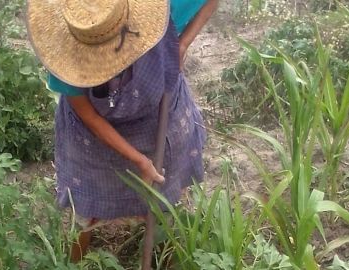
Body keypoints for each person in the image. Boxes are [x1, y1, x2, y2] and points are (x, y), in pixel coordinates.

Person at [26, 0, 218, 263]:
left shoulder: (161, 9)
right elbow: (89, 116)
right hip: (91, 136)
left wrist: (182, 44)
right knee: (84, 205)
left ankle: (164, 248)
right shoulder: (64, 57)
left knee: (163, 193)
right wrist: (138, 159)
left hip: (156, 111)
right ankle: (75, 260)